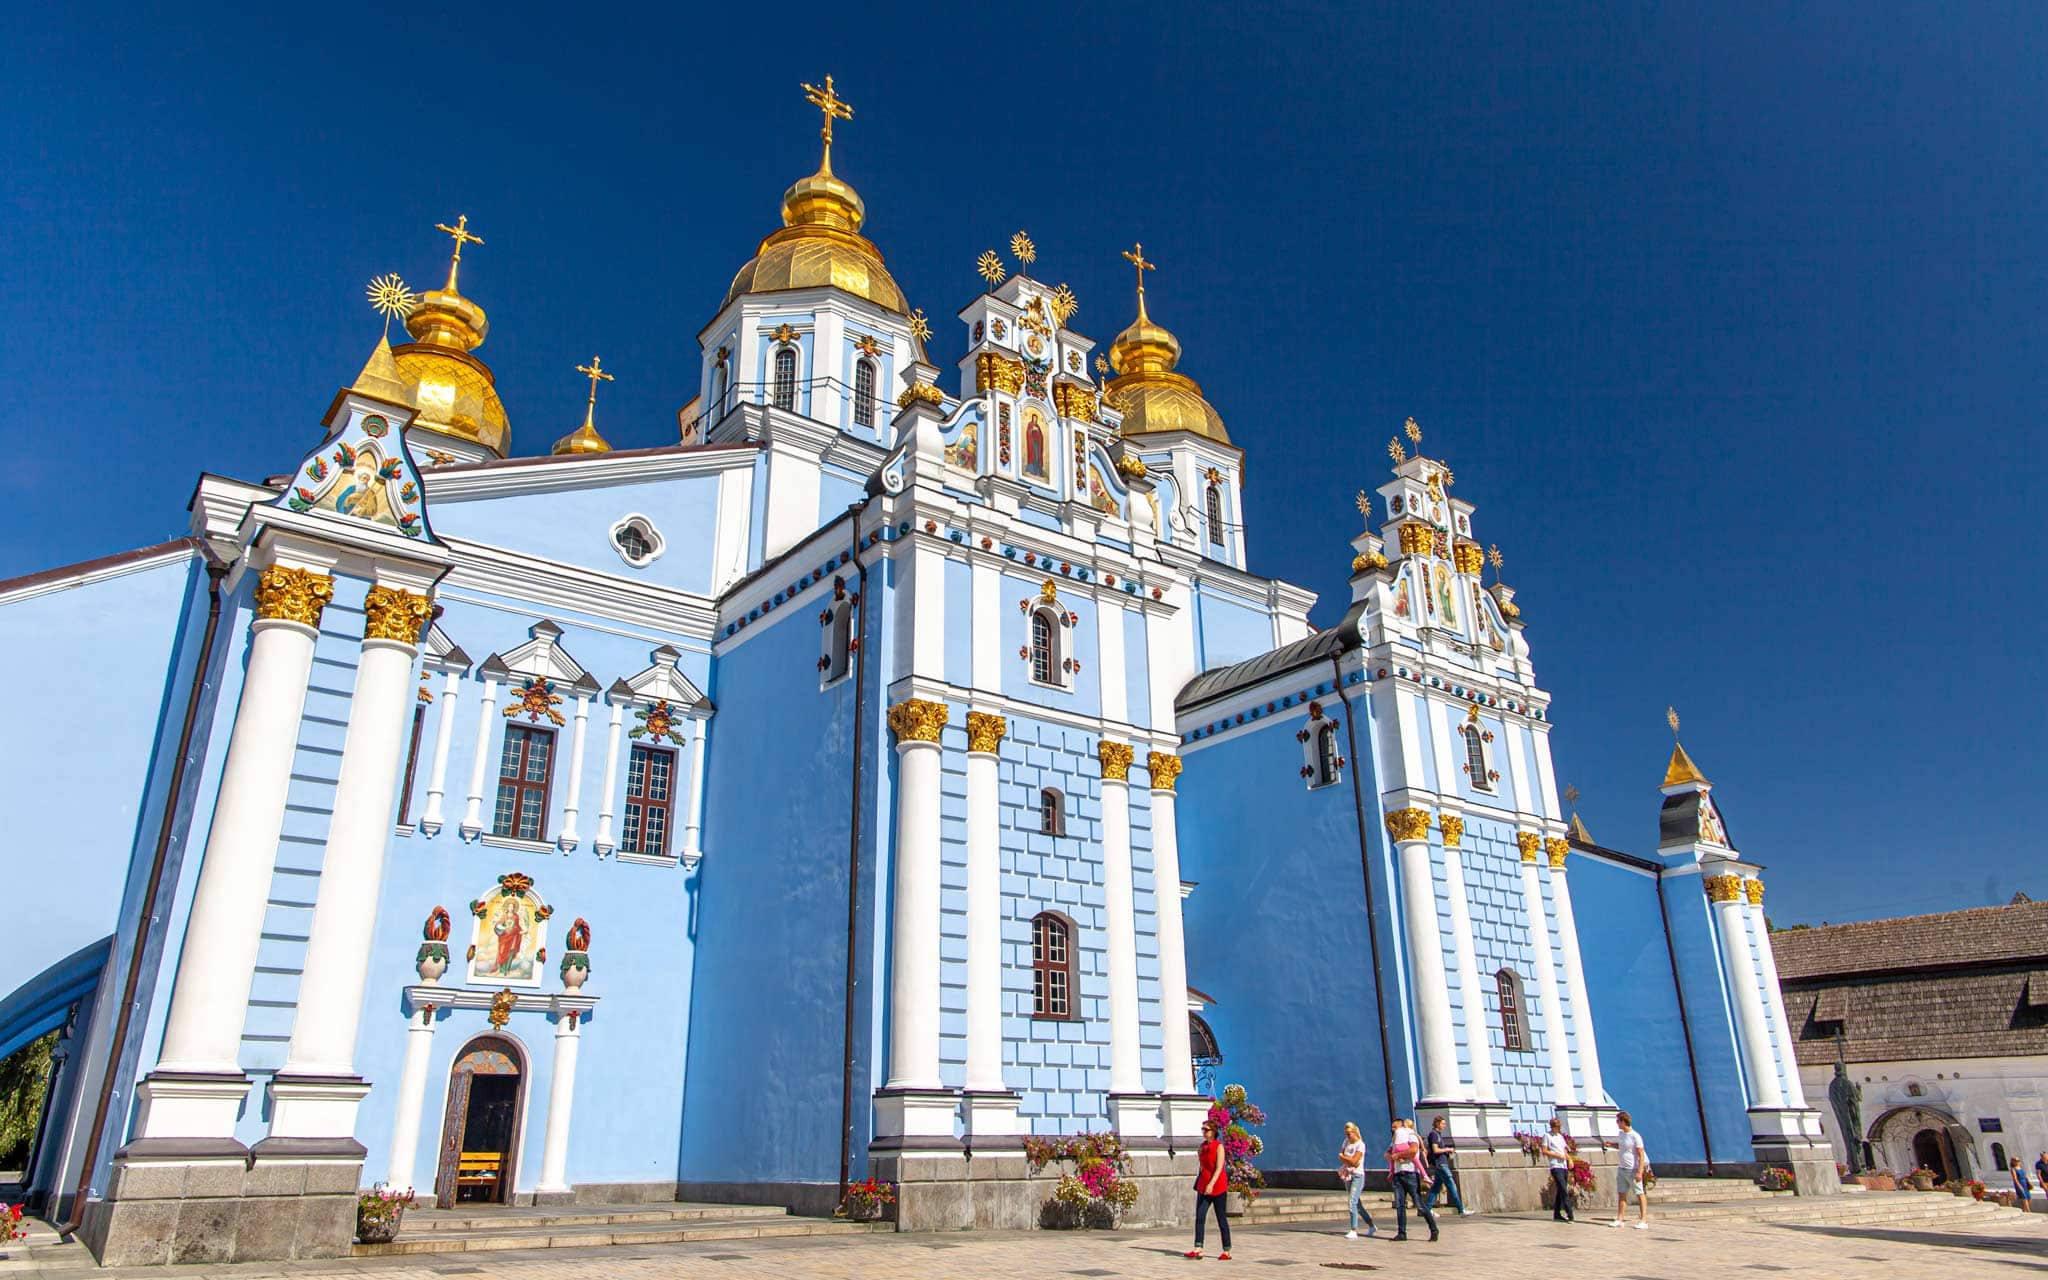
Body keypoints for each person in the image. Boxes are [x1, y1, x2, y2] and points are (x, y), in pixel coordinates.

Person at [1386, 1117, 1439, 1242]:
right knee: (1400, 1205)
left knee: (1419, 1205)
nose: (1393, 1129)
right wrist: (1393, 1157)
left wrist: (1398, 1155)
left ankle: (1434, 1229)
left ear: (1402, 1126)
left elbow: (1413, 1150)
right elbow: (1387, 1154)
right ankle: (1402, 1233)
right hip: (1398, 1174)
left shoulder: (1411, 1136)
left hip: (1410, 1173)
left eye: (1395, 1127)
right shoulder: (1394, 1140)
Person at [1186, 1119, 1232, 1260]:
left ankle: (1227, 1250)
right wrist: (1203, 1183)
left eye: (1206, 1130)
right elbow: (1202, 1167)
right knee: (1200, 1216)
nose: (1204, 1132)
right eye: (1203, 1129)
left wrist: (1211, 1184)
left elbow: (1219, 1168)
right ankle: (1198, 1247)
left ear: (1213, 1132)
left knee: (1221, 1218)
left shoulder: (1219, 1147)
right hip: (1203, 1186)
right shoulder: (1202, 1147)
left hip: (1217, 1186)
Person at [1607, 1111, 1651, 1229]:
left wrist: (1639, 1172)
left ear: (1623, 1121)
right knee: (1622, 1193)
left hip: (1633, 1169)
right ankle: (1620, 1219)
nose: (1617, 1124)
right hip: (1622, 1168)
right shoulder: (1621, 1134)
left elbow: (1641, 1154)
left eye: (1618, 1121)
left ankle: (1643, 1220)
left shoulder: (1635, 1136)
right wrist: (1611, 1145)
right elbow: (1622, 1146)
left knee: (1639, 1193)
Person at [1423, 1116, 1469, 1216]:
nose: (1444, 1125)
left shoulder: (1438, 1134)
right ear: (1437, 1123)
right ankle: (1461, 1209)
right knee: (1452, 1185)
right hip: (1441, 1164)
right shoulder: (1434, 1135)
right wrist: (1448, 1149)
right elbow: (1435, 1150)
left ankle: (1428, 1209)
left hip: (1442, 1163)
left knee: (1435, 1188)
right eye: (1443, 1123)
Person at [1338, 1121, 1374, 1239]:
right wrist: (1347, 1159)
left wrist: (1345, 1158)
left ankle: (1353, 1229)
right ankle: (1371, 1225)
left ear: (1354, 1132)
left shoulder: (1360, 1145)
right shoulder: (1346, 1142)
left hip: (1358, 1175)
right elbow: (1342, 1157)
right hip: (1347, 1174)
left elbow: (1355, 1161)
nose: (1347, 1136)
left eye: (1349, 1133)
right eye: (1346, 1133)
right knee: (1357, 1204)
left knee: (1352, 1201)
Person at [1543, 1116, 1574, 1222]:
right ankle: (1570, 1213)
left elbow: (1564, 1150)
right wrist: (1556, 1155)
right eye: (1556, 1127)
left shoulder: (1560, 1136)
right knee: (1563, 1190)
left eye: (1559, 1127)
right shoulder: (1547, 1136)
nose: (1558, 1129)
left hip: (1563, 1165)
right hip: (1555, 1165)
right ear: (1552, 1127)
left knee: (1561, 1189)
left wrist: (1569, 1159)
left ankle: (1556, 1213)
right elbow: (1545, 1150)